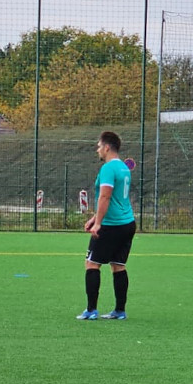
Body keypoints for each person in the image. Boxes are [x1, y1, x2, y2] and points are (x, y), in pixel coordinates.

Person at [77, 131, 136, 321]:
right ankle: (120, 310)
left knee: (92, 264)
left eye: (99, 146)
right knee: (118, 265)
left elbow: (106, 196)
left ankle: (91, 310)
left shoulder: (108, 168)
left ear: (107, 147)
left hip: (112, 225)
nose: (97, 149)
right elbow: (118, 197)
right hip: (128, 223)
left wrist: (99, 223)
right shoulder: (123, 168)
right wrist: (95, 217)